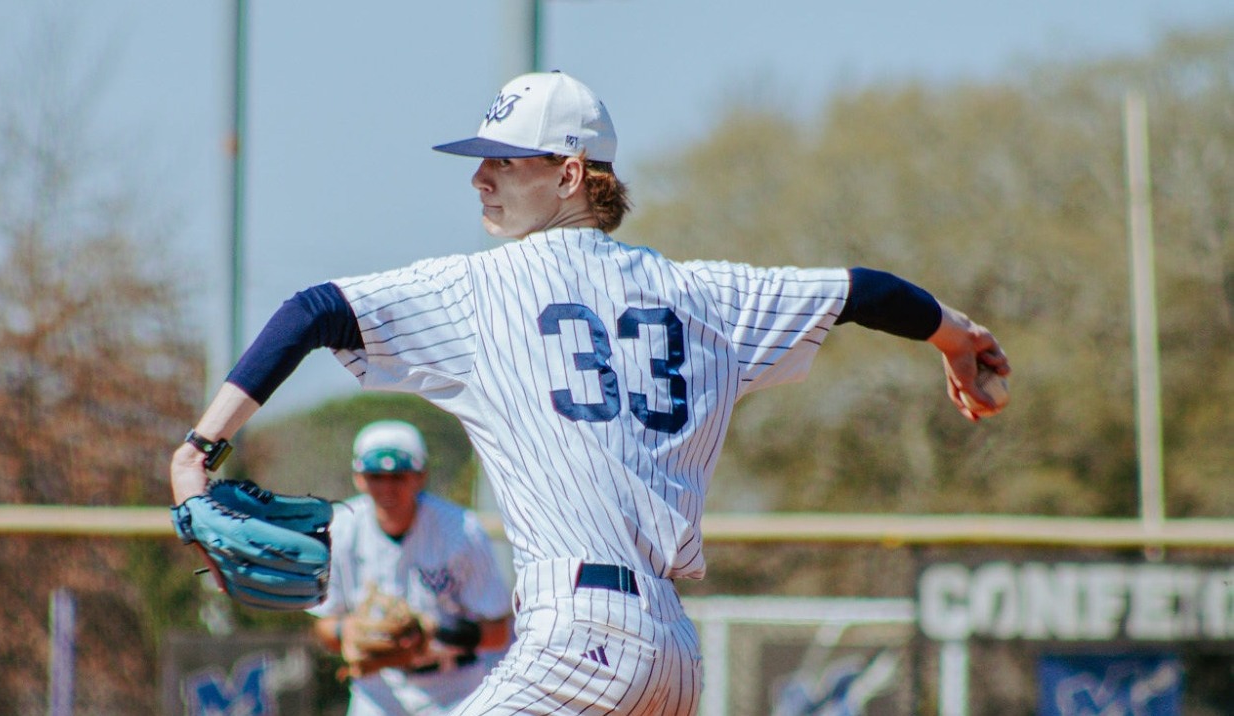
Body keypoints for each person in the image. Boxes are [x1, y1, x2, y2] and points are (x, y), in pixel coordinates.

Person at [171, 70, 1011, 715]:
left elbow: (315, 309)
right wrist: (954, 335)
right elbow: (857, 290)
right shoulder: (707, 295)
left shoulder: (482, 290)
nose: (481, 179)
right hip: (672, 656)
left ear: (571, 173)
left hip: (579, 638)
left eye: (504, 160)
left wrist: (199, 449)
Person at [307, 419, 512, 715]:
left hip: (455, 686)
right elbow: (323, 626)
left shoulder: (461, 530)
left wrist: (433, 634)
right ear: (359, 477)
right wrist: (347, 630)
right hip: (379, 690)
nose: (386, 487)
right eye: (376, 476)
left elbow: (498, 632)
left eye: (398, 476)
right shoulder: (339, 530)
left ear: (420, 476)